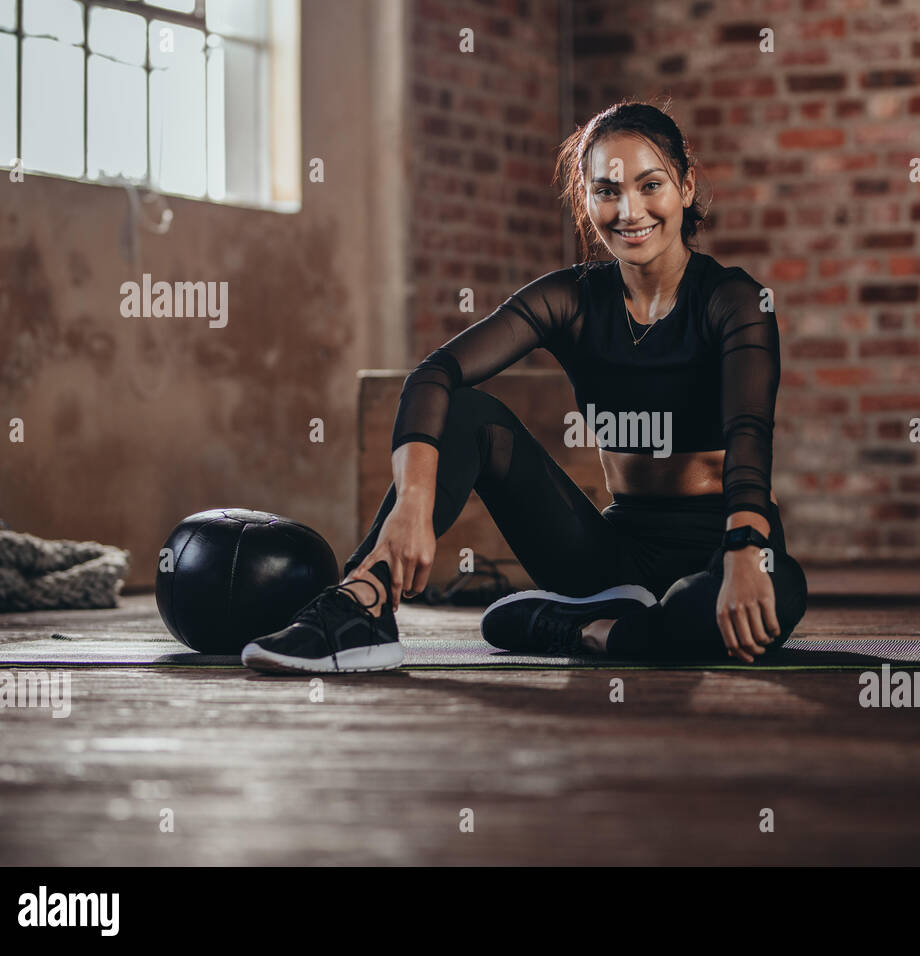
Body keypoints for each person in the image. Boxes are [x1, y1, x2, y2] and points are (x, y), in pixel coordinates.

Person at [241, 99, 808, 675]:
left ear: (686, 189)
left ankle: (586, 629)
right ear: (587, 202)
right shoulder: (571, 298)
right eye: (606, 191)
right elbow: (435, 374)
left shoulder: (734, 300)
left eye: (650, 185)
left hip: (726, 540)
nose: (629, 210)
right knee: (468, 414)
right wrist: (413, 499)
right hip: (616, 554)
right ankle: (361, 604)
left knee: (765, 603)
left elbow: (748, 432)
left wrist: (744, 549)